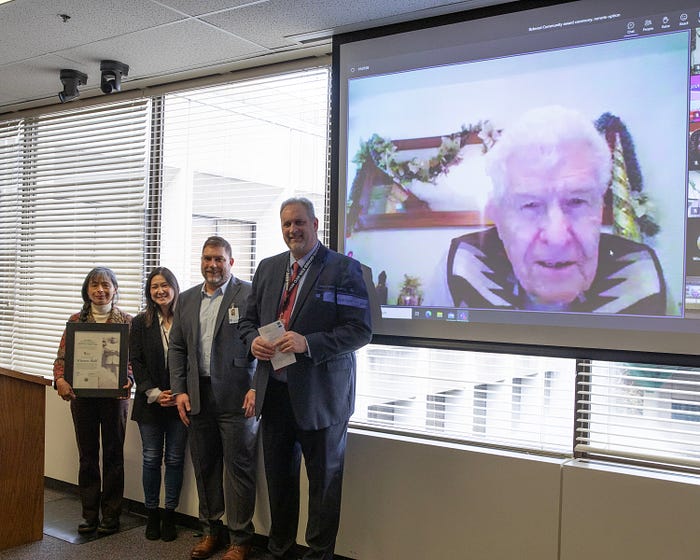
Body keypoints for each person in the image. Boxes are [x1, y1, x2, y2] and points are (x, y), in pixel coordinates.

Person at [427, 105, 667, 314]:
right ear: (498, 218)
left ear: (599, 208)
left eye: (577, 201)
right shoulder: (464, 267)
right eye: (530, 205)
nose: (557, 237)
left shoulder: (642, 276)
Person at [239, 197, 372, 560]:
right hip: (275, 395)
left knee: (324, 485)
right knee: (279, 482)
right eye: (286, 224)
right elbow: (247, 322)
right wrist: (252, 342)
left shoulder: (344, 269)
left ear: (314, 224)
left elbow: (359, 330)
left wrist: (307, 343)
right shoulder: (268, 268)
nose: (292, 230)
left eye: (299, 222)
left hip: (322, 399)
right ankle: (279, 550)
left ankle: (318, 555)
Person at [169, 236, 258, 560]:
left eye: (219, 259)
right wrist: (179, 390)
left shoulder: (249, 294)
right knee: (205, 467)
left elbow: (264, 343)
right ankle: (210, 532)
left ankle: (240, 539)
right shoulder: (187, 298)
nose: (213, 265)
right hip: (198, 396)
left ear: (230, 262)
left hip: (238, 397)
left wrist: (257, 387)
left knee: (239, 470)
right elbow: (177, 347)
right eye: (207, 258)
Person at [53, 267, 133, 536]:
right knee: (87, 457)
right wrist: (60, 380)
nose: (100, 290)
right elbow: (62, 358)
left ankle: (111, 515)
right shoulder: (76, 320)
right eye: (95, 285)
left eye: (106, 285)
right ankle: (89, 515)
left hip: (114, 399)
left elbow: (134, 360)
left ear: (115, 289)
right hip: (83, 398)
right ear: (86, 290)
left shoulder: (128, 322)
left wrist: (129, 378)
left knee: (113, 456)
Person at [130, 267, 187, 541]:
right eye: (154, 286)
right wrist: (154, 392)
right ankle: (151, 513)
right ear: (149, 291)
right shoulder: (140, 322)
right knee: (151, 458)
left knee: (175, 459)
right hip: (150, 403)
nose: (160, 290)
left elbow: (193, 357)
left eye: (165, 285)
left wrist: (179, 392)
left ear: (174, 287)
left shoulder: (186, 319)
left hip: (180, 402)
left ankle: (170, 515)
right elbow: (136, 361)